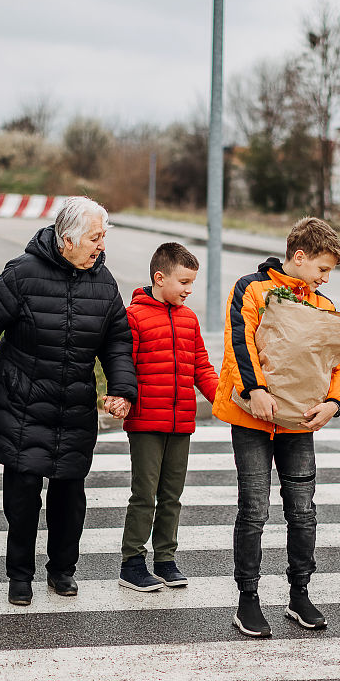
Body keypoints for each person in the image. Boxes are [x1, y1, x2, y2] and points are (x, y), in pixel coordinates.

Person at [0, 196, 137, 606]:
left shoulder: (104, 284)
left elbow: (117, 342)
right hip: (21, 405)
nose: (101, 245)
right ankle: (19, 576)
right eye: (94, 238)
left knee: (69, 499)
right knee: (22, 497)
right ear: (66, 240)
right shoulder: (22, 274)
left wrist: (121, 389)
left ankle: (62, 570)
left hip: (74, 410)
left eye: (103, 237)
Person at [212, 217, 340, 638]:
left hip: (298, 425)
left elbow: (337, 362)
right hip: (253, 419)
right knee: (254, 510)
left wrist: (333, 403)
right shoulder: (251, 288)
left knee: (303, 511)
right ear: (300, 256)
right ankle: (247, 599)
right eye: (323, 269)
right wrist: (253, 388)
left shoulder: (322, 305)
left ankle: (300, 593)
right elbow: (240, 340)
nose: (326, 279)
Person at [117, 242, 219, 592]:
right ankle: (132, 562)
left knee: (172, 495)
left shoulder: (189, 319)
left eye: (192, 283)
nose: (190, 290)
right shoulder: (134, 315)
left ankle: (165, 559)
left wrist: (222, 400)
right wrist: (120, 396)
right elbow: (123, 366)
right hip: (146, 421)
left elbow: (201, 366)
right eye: (184, 282)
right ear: (160, 279)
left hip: (181, 421)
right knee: (144, 494)